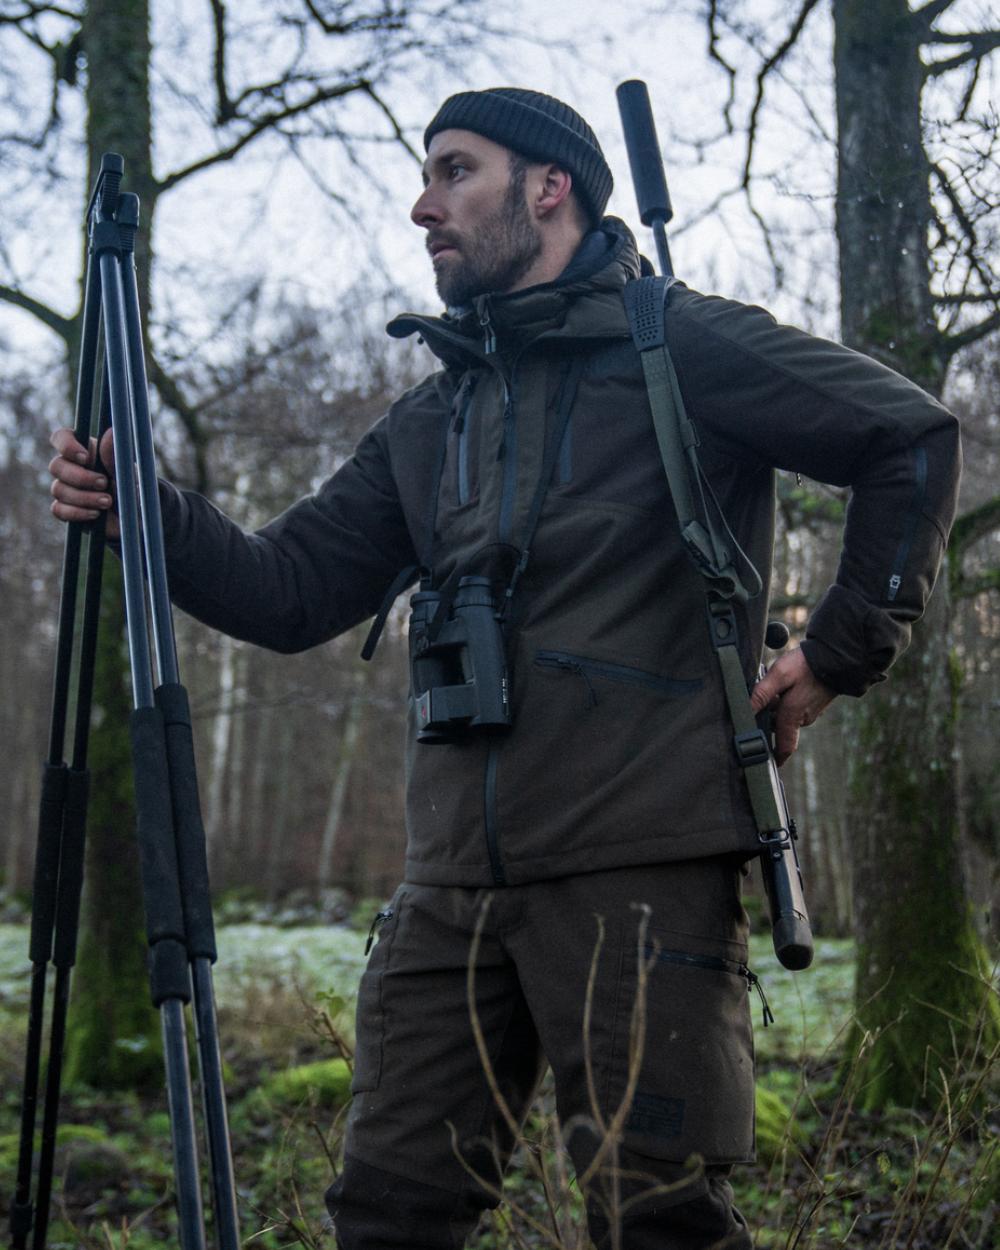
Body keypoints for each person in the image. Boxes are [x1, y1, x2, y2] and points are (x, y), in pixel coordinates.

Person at [49, 88, 961, 1250]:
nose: (424, 205)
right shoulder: (428, 422)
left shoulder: (675, 342)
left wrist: (836, 652)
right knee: (384, 1216)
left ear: (550, 187)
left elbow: (909, 438)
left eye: (454, 171)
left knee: (660, 1222)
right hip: (448, 894)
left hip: (643, 875)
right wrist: (150, 510)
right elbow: (286, 592)